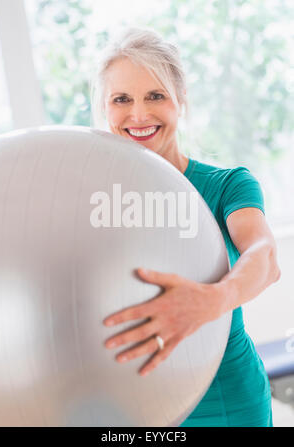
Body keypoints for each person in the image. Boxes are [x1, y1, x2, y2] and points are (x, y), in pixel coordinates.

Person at [91, 27, 281, 427]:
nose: (138, 115)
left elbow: (264, 257)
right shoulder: (93, 198)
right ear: (104, 109)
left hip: (226, 398)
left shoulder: (228, 185)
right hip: (131, 400)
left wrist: (212, 301)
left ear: (181, 102)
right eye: (121, 99)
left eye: (155, 95)